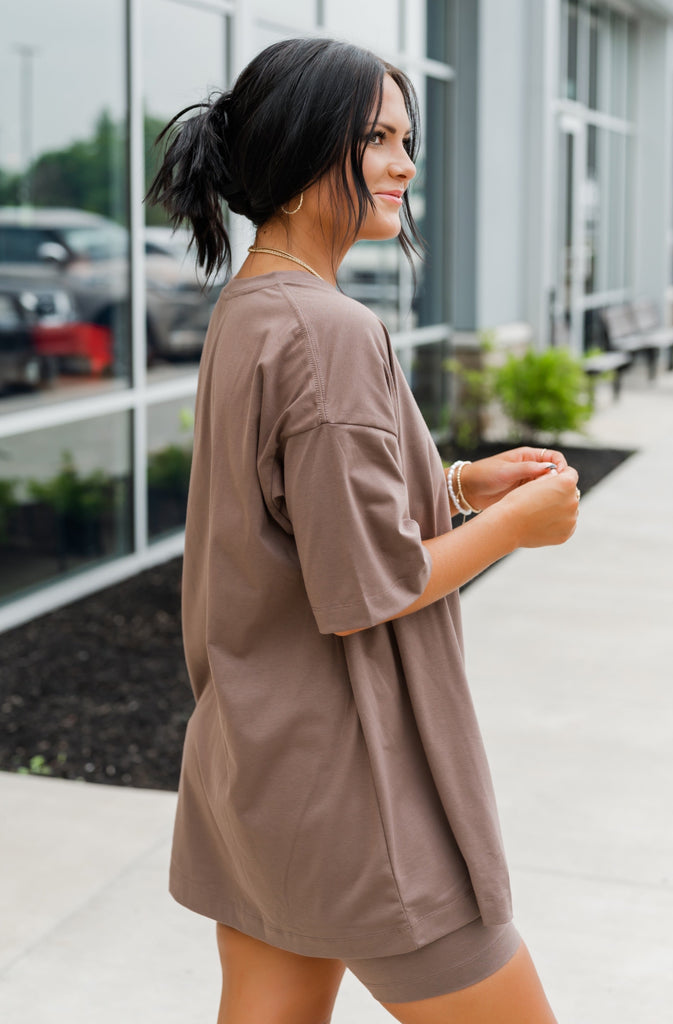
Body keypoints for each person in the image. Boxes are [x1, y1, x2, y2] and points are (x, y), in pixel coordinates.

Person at [147, 36, 579, 1024]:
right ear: (303, 149)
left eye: (406, 139)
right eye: (374, 137)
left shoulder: (250, 308)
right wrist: (518, 521)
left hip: (256, 767)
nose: (403, 164)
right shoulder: (330, 330)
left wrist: (458, 483)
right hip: (359, 787)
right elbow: (366, 588)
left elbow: (303, 509)